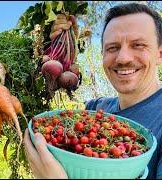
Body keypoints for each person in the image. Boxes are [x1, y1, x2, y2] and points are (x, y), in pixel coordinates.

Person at [24, 3, 162, 179]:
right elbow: (47, 120)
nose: (123, 58)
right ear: (103, 54)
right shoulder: (94, 109)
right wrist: (59, 47)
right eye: (113, 48)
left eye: (138, 45)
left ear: (160, 54)